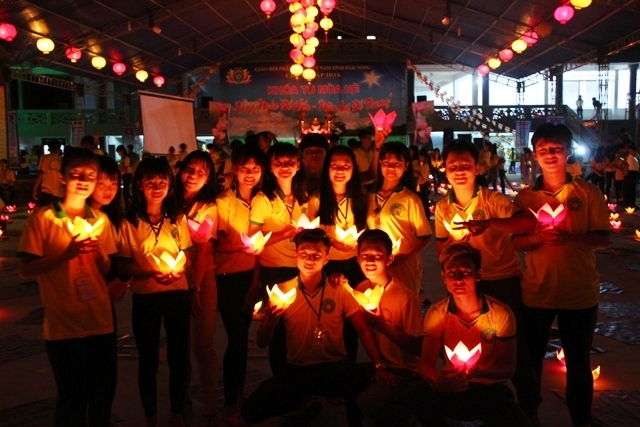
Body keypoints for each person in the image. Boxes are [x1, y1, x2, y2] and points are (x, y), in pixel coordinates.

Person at [511, 123, 610, 426]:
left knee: (578, 362)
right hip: (536, 291)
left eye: (556, 148)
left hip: (579, 292)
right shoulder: (526, 199)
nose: (550, 154)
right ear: (534, 154)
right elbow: (516, 242)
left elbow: (602, 237)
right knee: (531, 361)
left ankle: (581, 417)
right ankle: (529, 412)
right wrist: (536, 238)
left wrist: (571, 239)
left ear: (568, 151)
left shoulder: (588, 193)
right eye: (543, 149)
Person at [434, 139, 539, 420]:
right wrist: (457, 245)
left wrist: (489, 223)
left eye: (465, 165)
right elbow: (441, 248)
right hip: (466, 284)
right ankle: (476, 400)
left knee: (514, 346)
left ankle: (529, 407)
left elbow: (527, 223)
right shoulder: (443, 208)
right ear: (444, 169)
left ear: (477, 167)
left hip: (501, 280)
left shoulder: (492, 200)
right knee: (467, 345)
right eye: (453, 166)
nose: (459, 171)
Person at [241, 229, 389, 427]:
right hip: (297, 369)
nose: (309, 259)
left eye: (316, 255)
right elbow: (261, 342)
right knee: (250, 411)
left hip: (333, 366)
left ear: (327, 258)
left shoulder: (339, 288)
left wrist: (379, 364)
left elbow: (362, 330)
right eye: (304, 253)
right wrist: (271, 320)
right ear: (296, 255)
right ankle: (300, 406)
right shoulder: (282, 291)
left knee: (358, 378)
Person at [18, 147, 118, 427]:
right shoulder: (43, 218)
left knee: (102, 395)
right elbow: (25, 269)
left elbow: (105, 270)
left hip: (99, 320)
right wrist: (66, 254)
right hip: (63, 324)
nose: (84, 180)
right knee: (72, 397)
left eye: (90, 176)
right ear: (62, 177)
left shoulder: (100, 220)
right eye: (76, 174)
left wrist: (99, 254)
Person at [117, 157, 193, 427]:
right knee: (147, 359)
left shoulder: (177, 218)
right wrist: (149, 272)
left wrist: (179, 269)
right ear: (139, 185)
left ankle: (176, 413)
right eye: (151, 182)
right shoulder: (129, 223)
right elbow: (123, 264)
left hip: (177, 294)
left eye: (163, 182)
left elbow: (187, 255)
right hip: (145, 297)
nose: (157, 187)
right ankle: (151, 416)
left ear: (170, 185)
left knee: (178, 356)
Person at [421, 243, 532, 427]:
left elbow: (509, 367)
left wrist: (479, 371)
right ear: (443, 277)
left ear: (478, 274)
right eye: (451, 273)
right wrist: (437, 381)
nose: (458, 279)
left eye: (465, 272)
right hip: (452, 386)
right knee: (419, 404)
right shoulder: (437, 314)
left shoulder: (500, 313)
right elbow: (426, 364)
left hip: (490, 388)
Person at [353, 230, 431, 426]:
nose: (370, 260)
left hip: (407, 371)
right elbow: (364, 332)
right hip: (383, 365)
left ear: (390, 259)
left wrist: (384, 327)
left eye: (377, 255)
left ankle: (410, 410)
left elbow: (418, 347)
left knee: (366, 403)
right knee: (350, 383)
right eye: (365, 255)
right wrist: (379, 365)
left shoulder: (404, 296)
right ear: (357, 258)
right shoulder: (361, 290)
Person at [215, 145, 266, 426]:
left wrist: (255, 282)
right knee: (235, 340)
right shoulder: (223, 201)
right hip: (226, 278)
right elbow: (218, 245)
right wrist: (243, 246)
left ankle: (239, 392)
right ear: (235, 169)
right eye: (244, 168)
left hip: (249, 277)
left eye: (255, 168)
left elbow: (258, 249)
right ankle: (230, 402)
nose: (249, 173)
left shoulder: (260, 200)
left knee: (241, 340)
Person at [248, 142, 308, 374]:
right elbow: (253, 239)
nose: (285, 167)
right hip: (274, 270)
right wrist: (283, 234)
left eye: (290, 162)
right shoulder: (263, 199)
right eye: (278, 162)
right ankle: (280, 378)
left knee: (300, 326)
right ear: (270, 167)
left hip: (301, 268)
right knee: (278, 327)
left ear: (298, 165)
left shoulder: (304, 197)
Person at [306, 145, 368, 361]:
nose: (340, 170)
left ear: (353, 169)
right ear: (327, 169)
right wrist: (332, 242)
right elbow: (310, 235)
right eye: (334, 165)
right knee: (328, 316)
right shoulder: (317, 199)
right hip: (327, 264)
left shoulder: (360, 199)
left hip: (354, 265)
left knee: (353, 318)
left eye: (346, 165)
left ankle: (349, 362)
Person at [174, 151, 219, 427]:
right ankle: (182, 399)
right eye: (189, 169)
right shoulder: (170, 201)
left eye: (200, 172)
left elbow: (204, 250)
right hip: (173, 279)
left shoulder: (207, 207)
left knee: (203, 346)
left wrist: (195, 288)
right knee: (180, 346)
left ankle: (210, 408)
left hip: (201, 280)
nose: (192, 176)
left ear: (208, 178)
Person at [367, 142, 432, 295]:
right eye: (386, 162)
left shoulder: (410, 199)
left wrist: (403, 256)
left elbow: (425, 236)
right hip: (375, 264)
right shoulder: (370, 196)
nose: (391, 167)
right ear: (380, 163)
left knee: (403, 303)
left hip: (403, 265)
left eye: (397, 163)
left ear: (406, 166)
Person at [32, 141, 64, 207]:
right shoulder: (62, 159)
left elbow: (41, 173)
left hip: (47, 191)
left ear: (49, 148)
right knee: (58, 212)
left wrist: (35, 189)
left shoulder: (44, 158)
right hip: (60, 192)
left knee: (45, 211)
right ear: (59, 148)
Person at [116, 145, 133, 211]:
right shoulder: (123, 158)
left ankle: (127, 206)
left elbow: (125, 169)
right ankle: (128, 205)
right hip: (125, 175)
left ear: (122, 151)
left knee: (126, 192)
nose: (118, 154)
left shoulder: (126, 158)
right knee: (126, 192)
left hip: (127, 175)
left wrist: (118, 166)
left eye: (119, 152)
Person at [624, 143, 639, 208]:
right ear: (631, 150)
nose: (636, 152)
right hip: (630, 174)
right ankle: (629, 203)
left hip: (634, 173)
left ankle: (632, 203)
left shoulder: (634, 157)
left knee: (633, 189)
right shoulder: (628, 157)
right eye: (635, 151)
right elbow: (626, 166)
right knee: (630, 189)